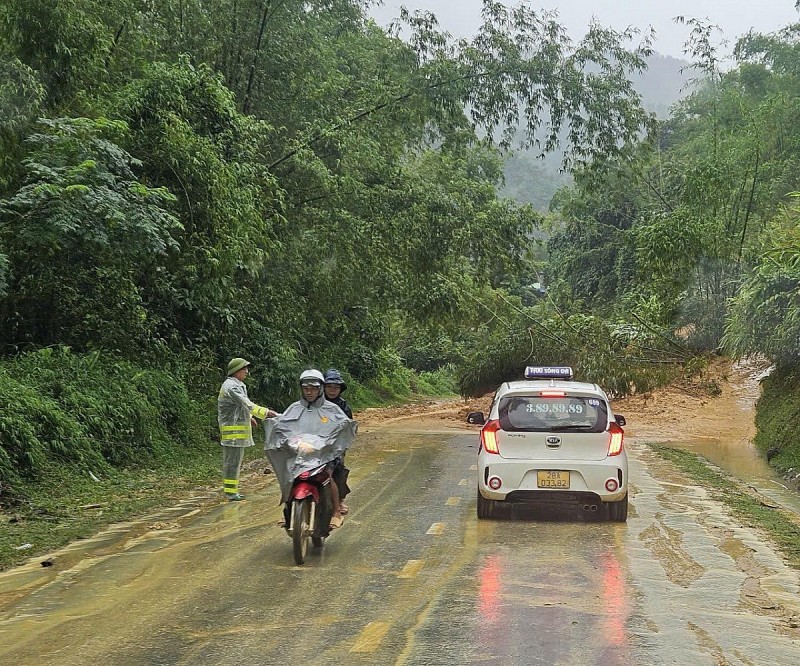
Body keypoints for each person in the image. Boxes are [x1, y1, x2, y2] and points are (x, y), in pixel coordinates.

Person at [217, 357, 279, 501]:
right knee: (232, 463)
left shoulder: (237, 385)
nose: (246, 371)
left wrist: (249, 417)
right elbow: (247, 403)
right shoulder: (231, 387)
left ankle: (231, 491)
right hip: (232, 434)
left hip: (236, 433)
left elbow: (241, 407)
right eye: (244, 369)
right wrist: (265, 413)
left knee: (234, 463)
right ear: (236, 371)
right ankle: (231, 493)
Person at [324, 368, 352, 514]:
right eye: (329, 387)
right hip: (314, 443)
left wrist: (341, 445)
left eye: (336, 387)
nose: (332, 390)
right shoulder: (316, 402)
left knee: (338, 470)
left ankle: (339, 501)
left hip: (335, 444)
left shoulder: (343, 406)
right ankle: (289, 509)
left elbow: (348, 428)